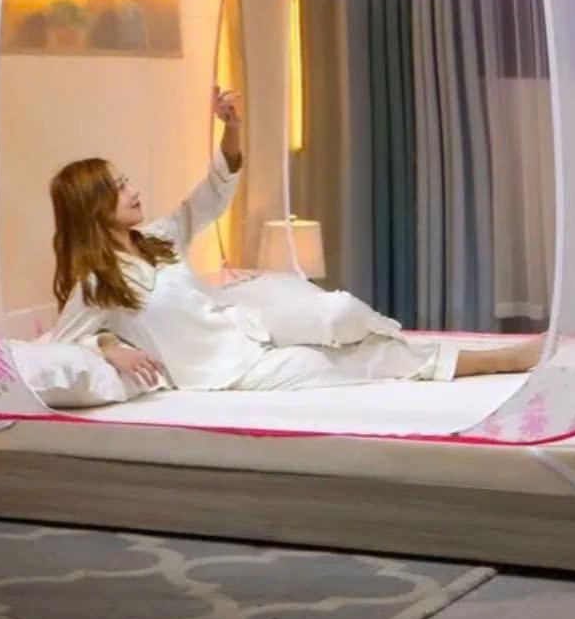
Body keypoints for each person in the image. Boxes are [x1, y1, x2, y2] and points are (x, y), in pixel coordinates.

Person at [46, 86, 543, 391]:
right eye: (118, 187)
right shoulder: (96, 282)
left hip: (248, 324)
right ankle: (495, 360)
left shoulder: (156, 237)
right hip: (227, 371)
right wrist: (109, 345)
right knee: (340, 363)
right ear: (91, 206)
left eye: (126, 180)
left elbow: (212, 194)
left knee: (340, 312)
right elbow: (61, 342)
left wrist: (232, 128)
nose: (133, 189)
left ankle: (404, 340)